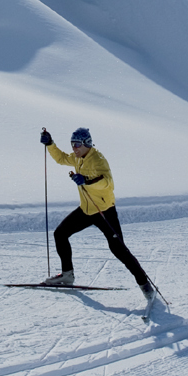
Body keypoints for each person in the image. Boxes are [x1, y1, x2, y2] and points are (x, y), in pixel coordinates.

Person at [39, 126, 154, 299]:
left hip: (104, 211)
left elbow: (107, 183)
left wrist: (87, 180)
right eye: (72, 144)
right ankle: (67, 275)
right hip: (86, 210)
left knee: (118, 249)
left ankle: (145, 285)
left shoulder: (98, 160)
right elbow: (61, 158)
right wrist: (50, 144)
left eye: (77, 144)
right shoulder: (78, 157)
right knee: (60, 234)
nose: (74, 148)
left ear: (87, 143)